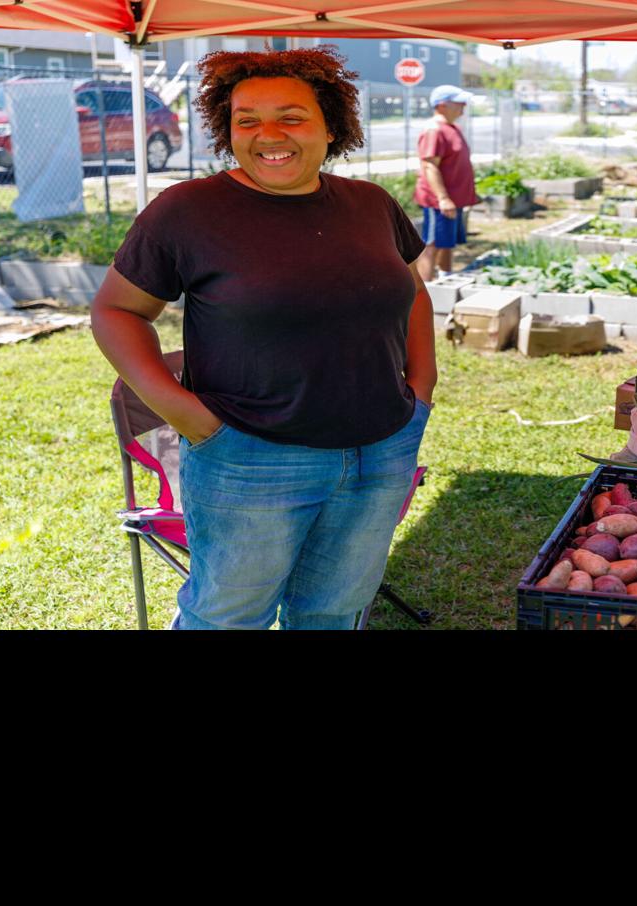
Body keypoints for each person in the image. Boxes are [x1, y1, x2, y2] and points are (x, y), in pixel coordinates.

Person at [89, 47, 435, 630]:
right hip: (248, 458)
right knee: (228, 617)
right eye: (246, 120)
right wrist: (191, 418)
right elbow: (117, 311)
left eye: (291, 118)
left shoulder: (371, 204)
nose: (268, 135)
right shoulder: (187, 212)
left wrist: (421, 388)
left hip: (381, 451)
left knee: (333, 612)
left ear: (331, 126)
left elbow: (413, 291)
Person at [413, 84, 479, 280]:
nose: (463, 107)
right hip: (439, 201)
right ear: (442, 105)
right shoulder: (434, 130)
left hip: (452, 198)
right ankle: (423, 288)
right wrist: (443, 198)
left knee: (447, 242)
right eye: (459, 103)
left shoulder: (452, 128)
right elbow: (430, 166)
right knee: (432, 243)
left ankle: (446, 278)